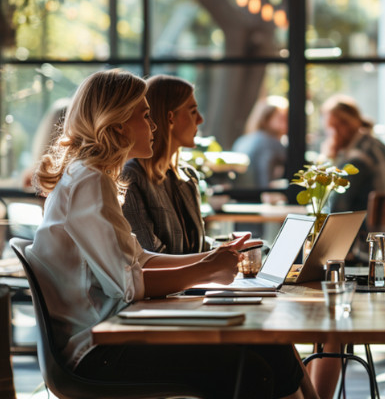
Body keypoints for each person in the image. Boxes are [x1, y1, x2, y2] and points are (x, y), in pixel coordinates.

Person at [27, 69, 316, 399]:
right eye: (145, 115)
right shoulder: (89, 181)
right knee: (251, 370)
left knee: (269, 349)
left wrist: (211, 259)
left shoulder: (91, 177)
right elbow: (129, 285)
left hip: (109, 336)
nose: (152, 126)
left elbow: (138, 260)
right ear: (118, 123)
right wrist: (206, 270)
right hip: (97, 352)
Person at [121, 74, 210, 254]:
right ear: (170, 117)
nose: (200, 119)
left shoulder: (188, 175)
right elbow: (149, 254)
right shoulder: (130, 177)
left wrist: (232, 250)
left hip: (193, 281)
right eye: (193, 111)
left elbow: (198, 248)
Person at [319, 95, 385, 214]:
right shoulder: (378, 145)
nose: (330, 134)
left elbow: (336, 209)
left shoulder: (357, 158)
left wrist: (329, 159)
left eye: (331, 128)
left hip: (365, 230)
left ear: (343, 126)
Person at [232, 96, 289, 188]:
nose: (286, 122)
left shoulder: (241, 141)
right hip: (262, 196)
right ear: (266, 118)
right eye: (282, 118)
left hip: (242, 197)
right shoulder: (271, 143)